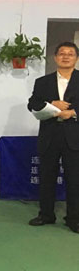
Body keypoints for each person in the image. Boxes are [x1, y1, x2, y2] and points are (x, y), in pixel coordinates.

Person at [27, 41, 79, 233]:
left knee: (75, 179)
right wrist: (51, 104)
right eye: (62, 53)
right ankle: (46, 215)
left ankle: (74, 219)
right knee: (47, 176)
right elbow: (32, 104)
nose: (66, 57)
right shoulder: (42, 82)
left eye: (70, 54)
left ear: (76, 58)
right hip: (49, 135)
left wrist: (73, 112)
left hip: (74, 136)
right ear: (55, 57)